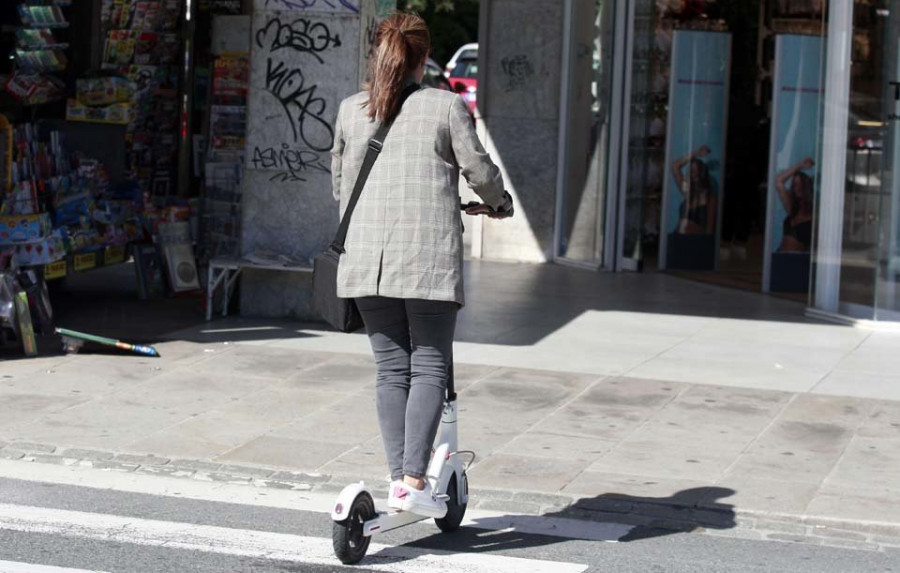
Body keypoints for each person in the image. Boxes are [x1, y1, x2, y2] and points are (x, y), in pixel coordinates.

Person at [330, 13, 513, 518]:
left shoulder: (350, 110)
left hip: (365, 260)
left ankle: (398, 479)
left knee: (391, 370)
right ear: (423, 56)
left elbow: (340, 188)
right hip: (427, 261)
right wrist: (498, 204)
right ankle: (414, 480)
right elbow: (479, 171)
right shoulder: (447, 106)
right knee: (429, 364)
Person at [671, 145, 717, 235]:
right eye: (691, 171)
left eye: (697, 171)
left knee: (684, 224)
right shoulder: (687, 191)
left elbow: (709, 231)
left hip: (697, 241)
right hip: (680, 239)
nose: (693, 174)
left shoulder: (710, 198)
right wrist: (696, 153)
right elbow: (675, 166)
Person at [775, 157, 815, 252]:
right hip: (780, 257)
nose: (797, 188)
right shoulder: (792, 207)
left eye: (801, 184)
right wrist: (799, 166)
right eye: (794, 184)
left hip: (797, 262)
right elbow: (779, 181)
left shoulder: (814, 213)